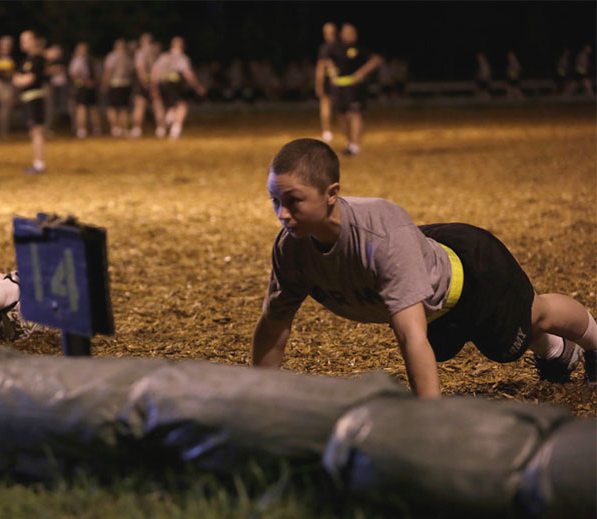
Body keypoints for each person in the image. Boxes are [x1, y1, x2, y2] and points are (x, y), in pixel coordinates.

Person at [251, 139, 597, 396]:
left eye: (294, 201)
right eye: (275, 201)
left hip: (473, 272)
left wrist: (426, 427)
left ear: (331, 193)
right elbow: (274, 327)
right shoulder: (291, 249)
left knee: (529, 319)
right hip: (432, 288)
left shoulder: (380, 237)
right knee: (492, 340)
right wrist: (257, 402)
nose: (282, 214)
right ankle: (558, 353)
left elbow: (410, 337)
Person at [321, 23, 381, 156]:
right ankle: (349, 142)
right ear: (341, 34)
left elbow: (376, 60)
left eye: (353, 32)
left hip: (355, 87)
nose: (351, 34)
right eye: (348, 32)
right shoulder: (334, 47)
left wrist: (361, 73)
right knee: (340, 115)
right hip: (338, 86)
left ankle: (355, 145)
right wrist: (331, 71)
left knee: (354, 114)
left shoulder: (359, 48)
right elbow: (325, 61)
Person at [150, 36, 206, 139]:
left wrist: (154, 87)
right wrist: (197, 86)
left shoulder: (163, 56)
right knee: (182, 106)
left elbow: (155, 71)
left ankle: (162, 128)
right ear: (182, 46)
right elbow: (188, 74)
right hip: (173, 83)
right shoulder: (182, 58)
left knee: (165, 105)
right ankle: (175, 129)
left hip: (161, 83)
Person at [13, 30, 46, 174]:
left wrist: (21, 79)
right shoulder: (27, 60)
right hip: (28, 98)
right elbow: (17, 79)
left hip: (35, 98)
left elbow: (28, 79)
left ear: (34, 41)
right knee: (33, 131)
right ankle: (37, 162)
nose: (22, 43)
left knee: (37, 131)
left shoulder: (37, 59)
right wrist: (21, 79)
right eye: (22, 40)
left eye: (26, 40)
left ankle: (39, 163)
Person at [102, 38, 134, 137]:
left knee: (112, 107)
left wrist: (105, 83)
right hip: (126, 84)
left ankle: (115, 128)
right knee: (124, 108)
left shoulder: (112, 56)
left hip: (115, 84)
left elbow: (108, 70)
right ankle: (123, 128)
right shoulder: (128, 57)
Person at [69, 41, 101, 139]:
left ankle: (82, 130)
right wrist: (93, 83)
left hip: (82, 87)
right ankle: (96, 129)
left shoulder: (78, 60)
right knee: (93, 108)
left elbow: (73, 74)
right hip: (91, 86)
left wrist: (84, 82)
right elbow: (98, 73)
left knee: (82, 108)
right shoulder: (92, 60)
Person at [314, 22, 338, 143]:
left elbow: (321, 66)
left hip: (331, 80)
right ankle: (329, 132)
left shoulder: (325, 47)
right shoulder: (340, 46)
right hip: (338, 80)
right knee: (331, 105)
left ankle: (328, 132)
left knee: (326, 105)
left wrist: (318, 83)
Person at [131, 33, 158, 138]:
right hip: (156, 79)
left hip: (145, 79)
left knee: (139, 104)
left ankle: (137, 129)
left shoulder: (141, 52)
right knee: (157, 104)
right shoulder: (156, 51)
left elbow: (140, 67)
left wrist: (144, 81)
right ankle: (161, 128)